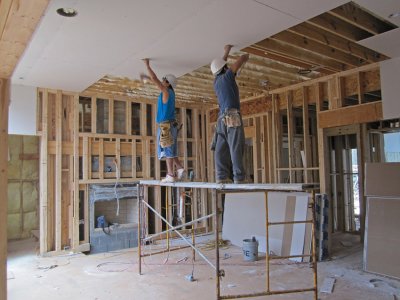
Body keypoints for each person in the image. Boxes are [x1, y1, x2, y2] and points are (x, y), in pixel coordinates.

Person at [210, 45, 249, 184]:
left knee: (221, 148)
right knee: (235, 146)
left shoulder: (216, 81)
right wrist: (245, 57)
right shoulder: (227, 76)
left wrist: (226, 51)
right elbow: (236, 64)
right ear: (225, 68)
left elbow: (222, 64)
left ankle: (221, 176)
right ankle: (238, 177)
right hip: (232, 116)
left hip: (221, 119)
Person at [142, 58, 185, 183]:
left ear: (168, 83)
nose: (162, 81)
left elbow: (155, 79)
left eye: (164, 80)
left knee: (168, 150)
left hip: (166, 126)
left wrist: (147, 66)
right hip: (168, 125)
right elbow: (155, 81)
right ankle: (180, 168)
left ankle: (171, 175)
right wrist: (148, 78)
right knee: (170, 149)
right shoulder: (169, 93)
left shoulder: (166, 91)